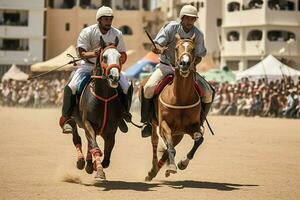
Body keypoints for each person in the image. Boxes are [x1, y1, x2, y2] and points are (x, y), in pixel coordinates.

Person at [140, 4, 215, 137]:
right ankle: (147, 122)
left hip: (187, 71)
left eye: (192, 19)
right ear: (182, 18)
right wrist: (159, 49)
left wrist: (192, 64)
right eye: (187, 18)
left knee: (208, 92)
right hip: (166, 67)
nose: (190, 21)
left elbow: (199, 56)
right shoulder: (171, 28)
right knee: (148, 88)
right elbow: (156, 45)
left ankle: (200, 122)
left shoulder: (198, 34)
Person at [59, 6, 132, 134]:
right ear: (99, 20)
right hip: (88, 66)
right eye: (105, 19)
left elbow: (123, 54)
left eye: (110, 19)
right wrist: (94, 53)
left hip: (109, 68)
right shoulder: (88, 32)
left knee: (127, 85)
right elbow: (81, 53)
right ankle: (67, 119)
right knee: (71, 86)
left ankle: (124, 114)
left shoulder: (117, 33)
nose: (108, 22)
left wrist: (116, 64)